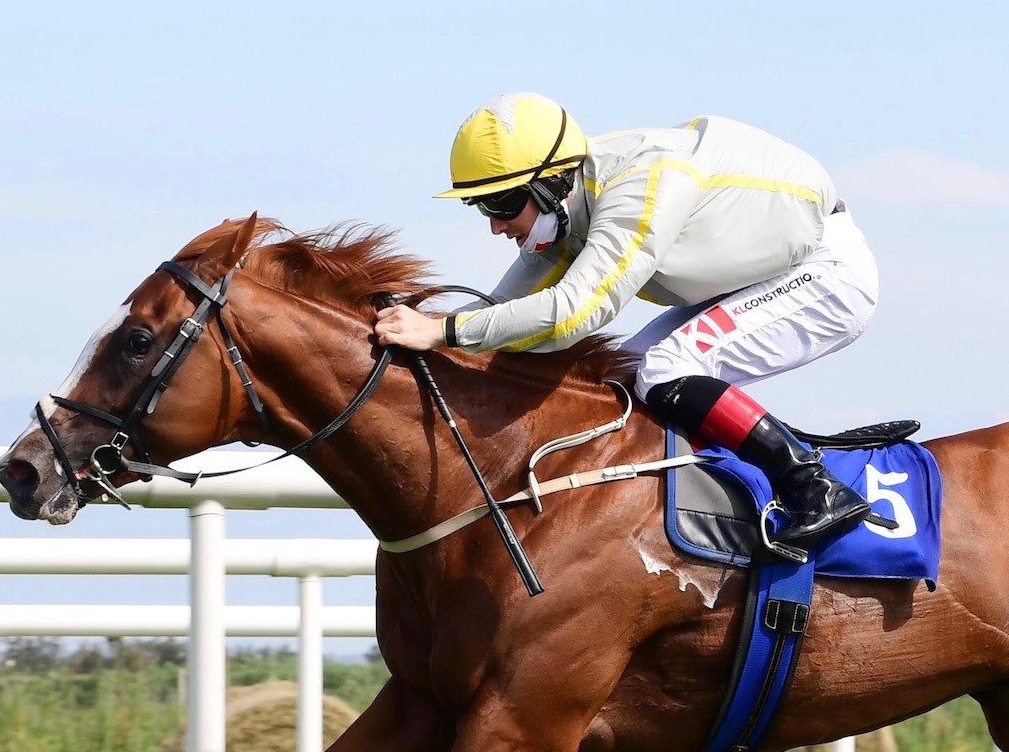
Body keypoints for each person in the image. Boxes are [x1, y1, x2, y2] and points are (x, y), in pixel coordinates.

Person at [374, 92, 882, 554]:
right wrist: (424, 327)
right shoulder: (571, 203)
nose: (495, 225)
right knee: (617, 378)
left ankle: (813, 487)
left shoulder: (639, 185)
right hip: (760, 277)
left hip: (823, 273)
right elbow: (497, 311)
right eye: (481, 205)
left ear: (554, 182)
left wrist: (442, 331)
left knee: (665, 368)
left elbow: (572, 315)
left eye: (504, 204)